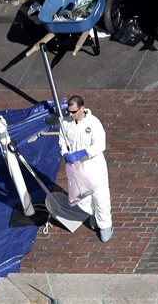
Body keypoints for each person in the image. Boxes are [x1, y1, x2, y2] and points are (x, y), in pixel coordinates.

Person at [59, 95, 114, 242]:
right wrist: (65, 153)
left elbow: (99, 145)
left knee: (100, 196)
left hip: (94, 167)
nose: (71, 115)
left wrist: (82, 153)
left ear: (82, 108)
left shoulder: (94, 123)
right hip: (78, 168)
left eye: (74, 112)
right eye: (69, 112)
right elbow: (62, 141)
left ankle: (105, 225)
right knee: (82, 197)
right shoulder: (66, 123)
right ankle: (94, 214)